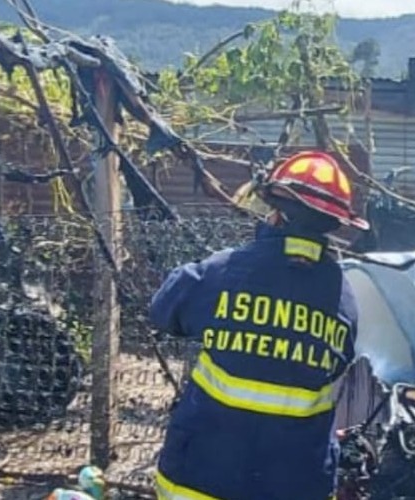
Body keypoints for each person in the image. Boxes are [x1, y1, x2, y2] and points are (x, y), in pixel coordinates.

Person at [149, 151, 368, 500]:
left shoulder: (222, 271)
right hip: (296, 484)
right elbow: (337, 363)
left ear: (275, 211)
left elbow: (163, 309)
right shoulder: (344, 300)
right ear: (333, 225)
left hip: (198, 481)